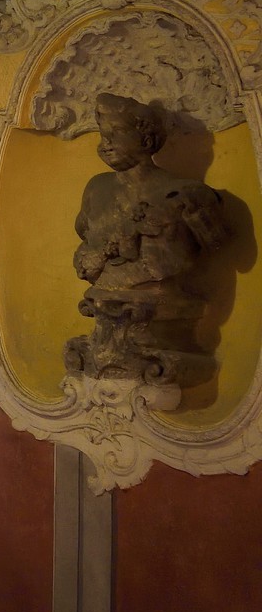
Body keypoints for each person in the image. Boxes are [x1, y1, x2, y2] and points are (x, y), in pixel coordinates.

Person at [69, 92, 226, 392]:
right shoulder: (96, 189)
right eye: (103, 134)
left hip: (160, 314)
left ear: (146, 139)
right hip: (108, 303)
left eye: (117, 133)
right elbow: (85, 234)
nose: (106, 143)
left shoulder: (184, 194)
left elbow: (214, 241)